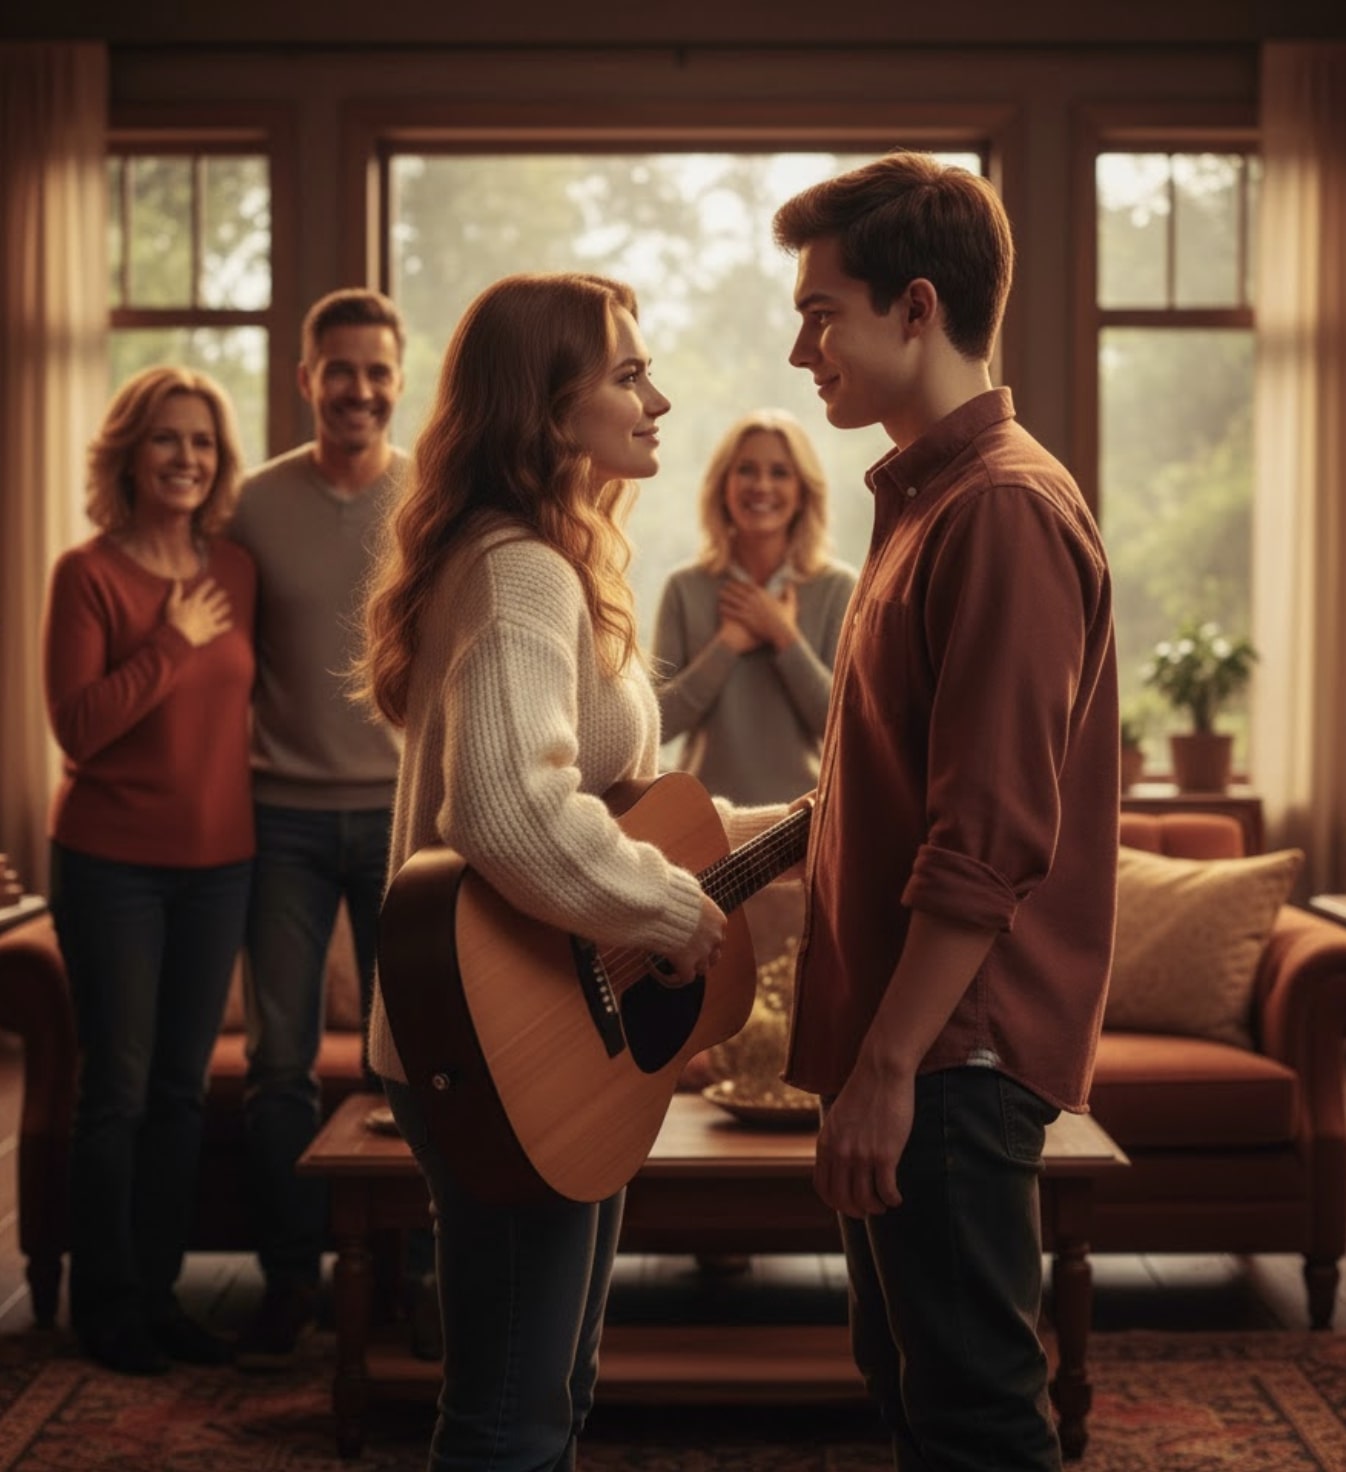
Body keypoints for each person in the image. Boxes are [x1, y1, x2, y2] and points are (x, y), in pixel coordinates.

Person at [358, 271, 750, 1472]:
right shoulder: (522, 569)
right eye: (628, 374)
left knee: (548, 1392)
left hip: (528, 1035)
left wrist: (773, 822)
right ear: (546, 400)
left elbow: (592, 799)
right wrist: (672, 906)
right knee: (511, 1419)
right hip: (502, 1043)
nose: (658, 398)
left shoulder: (523, 558)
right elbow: (506, 806)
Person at [773, 150, 1119, 1470]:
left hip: (950, 1059)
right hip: (916, 1046)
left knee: (973, 1423)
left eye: (821, 311)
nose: (801, 345)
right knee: (909, 1394)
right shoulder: (924, 500)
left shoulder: (1002, 512)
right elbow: (879, 784)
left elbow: (983, 845)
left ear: (915, 309)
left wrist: (887, 1069)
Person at [42, 365, 256, 1375]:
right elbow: (78, 727)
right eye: (167, 439)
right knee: (117, 1091)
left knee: (179, 1089)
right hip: (111, 862)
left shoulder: (236, 570)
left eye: (202, 442)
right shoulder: (86, 573)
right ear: (129, 451)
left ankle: (164, 1294)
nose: (186, 457)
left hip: (221, 865)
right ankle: (108, 1303)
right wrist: (171, 640)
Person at [226, 288, 408, 1367]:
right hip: (281, 814)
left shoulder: (427, 497)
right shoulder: (249, 503)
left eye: (376, 370)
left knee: (411, 1055)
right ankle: (291, 1281)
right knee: (279, 1060)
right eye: (338, 370)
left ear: (399, 377)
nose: (358, 389)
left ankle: (402, 1278)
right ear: (306, 380)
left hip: (400, 816)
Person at [652, 408, 856, 808]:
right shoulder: (684, 589)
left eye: (780, 472)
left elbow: (846, 729)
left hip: (806, 825)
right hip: (704, 827)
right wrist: (726, 646)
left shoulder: (837, 589)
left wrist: (783, 636)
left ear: (803, 491)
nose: (761, 486)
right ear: (722, 485)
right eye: (746, 470)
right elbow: (654, 726)